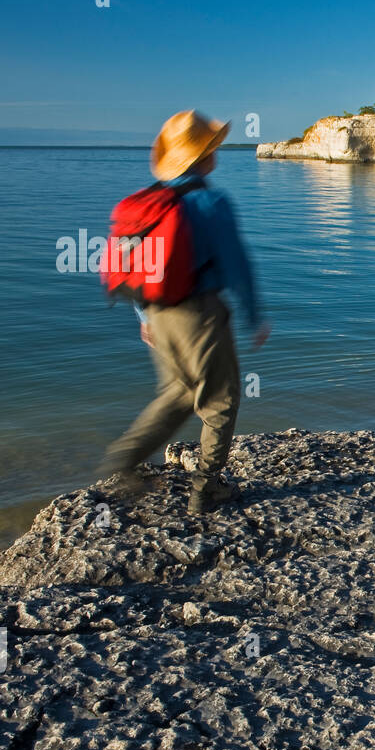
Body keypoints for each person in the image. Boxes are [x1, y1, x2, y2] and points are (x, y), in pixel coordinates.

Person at [98, 110, 270, 514]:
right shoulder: (211, 201)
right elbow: (236, 264)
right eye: (213, 149)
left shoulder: (153, 202)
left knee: (177, 393)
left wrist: (144, 318)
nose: (218, 155)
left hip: (157, 313)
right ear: (204, 157)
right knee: (221, 399)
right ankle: (207, 488)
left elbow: (142, 264)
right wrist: (253, 315)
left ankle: (123, 458)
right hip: (200, 314)